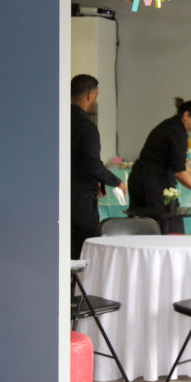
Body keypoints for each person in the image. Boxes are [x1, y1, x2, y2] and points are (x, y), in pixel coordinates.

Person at [128, 97, 191, 233]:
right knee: (158, 222)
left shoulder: (175, 127)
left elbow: (180, 163)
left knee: (171, 218)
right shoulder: (175, 130)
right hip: (150, 181)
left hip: (153, 178)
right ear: (186, 115)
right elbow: (179, 172)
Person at [71, 74, 127, 258]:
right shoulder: (87, 127)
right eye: (96, 95)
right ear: (89, 95)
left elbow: (76, 161)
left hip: (61, 198)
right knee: (83, 254)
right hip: (81, 202)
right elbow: (92, 164)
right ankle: (78, 288)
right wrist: (116, 181)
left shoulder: (60, 121)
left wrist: (99, 181)